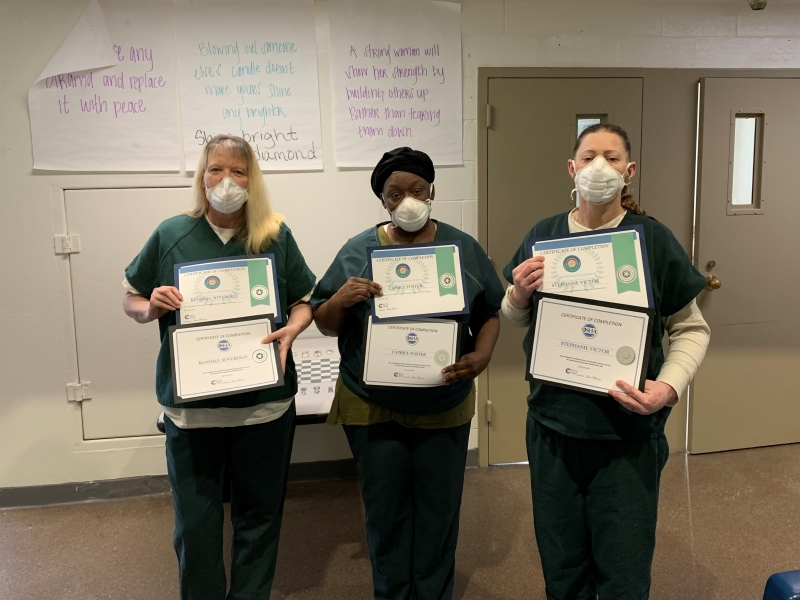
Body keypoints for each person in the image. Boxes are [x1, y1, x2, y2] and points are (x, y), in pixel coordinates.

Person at [502, 123, 711, 600]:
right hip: (554, 427)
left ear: (629, 171)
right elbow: (514, 316)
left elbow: (691, 329)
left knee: (623, 571)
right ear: (571, 169)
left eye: (612, 158)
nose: (600, 166)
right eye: (590, 156)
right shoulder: (544, 235)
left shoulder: (652, 240)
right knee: (562, 567)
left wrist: (668, 387)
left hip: (626, 435)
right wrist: (516, 294)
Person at [122, 135, 316, 600]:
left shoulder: (275, 234)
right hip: (193, 414)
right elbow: (130, 298)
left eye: (238, 171)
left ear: (253, 179)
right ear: (201, 176)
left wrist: (292, 330)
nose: (226, 181)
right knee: (195, 525)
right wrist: (150, 307)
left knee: (260, 518)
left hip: (263, 409)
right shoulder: (172, 234)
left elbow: (304, 302)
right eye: (215, 169)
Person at [311, 147, 505, 600]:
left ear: (432, 190)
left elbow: (491, 311)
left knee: (438, 511)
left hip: (443, 402)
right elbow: (324, 321)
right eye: (395, 193)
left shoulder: (462, 248)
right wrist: (341, 299)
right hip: (371, 404)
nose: (408, 200)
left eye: (417, 189)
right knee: (386, 513)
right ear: (382, 199)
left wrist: (482, 355)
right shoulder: (359, 250)